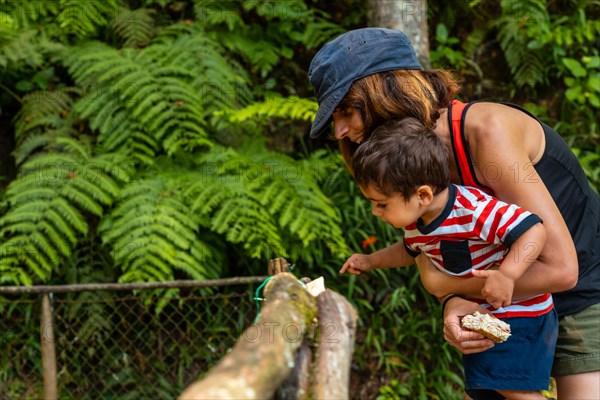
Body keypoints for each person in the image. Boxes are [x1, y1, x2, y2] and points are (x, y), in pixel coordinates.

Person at [308, 27, 600, 399]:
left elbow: (561, 270)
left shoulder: (485, 133)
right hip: (505, 303)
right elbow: (441, 258)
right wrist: (453, 304)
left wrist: (447, 287)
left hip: (578, 294)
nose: (340, 131)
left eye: (346, 111)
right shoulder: (411, 166)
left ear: (389, 92)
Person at [340, 117, 557, 399]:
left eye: (382, 204)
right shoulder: (418, 223)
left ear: (423, 194)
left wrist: (508, 274)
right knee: (482, 390)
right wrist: (371, 261)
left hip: (520, 313)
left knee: (509, 388)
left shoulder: (472, 210)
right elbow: (407, 251)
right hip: (487, 317)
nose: (375, 212)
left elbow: (534, 231)